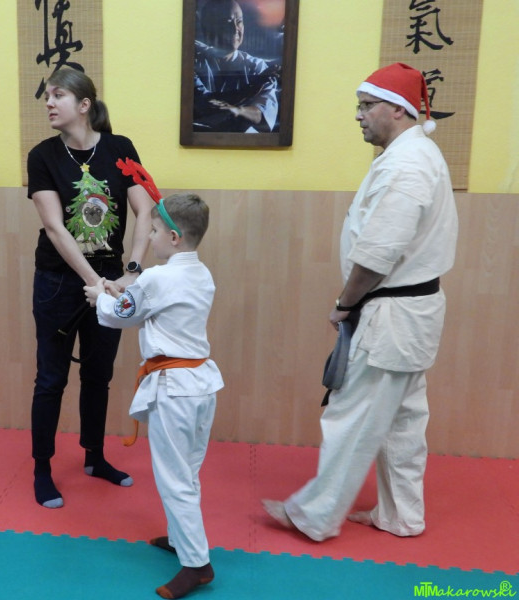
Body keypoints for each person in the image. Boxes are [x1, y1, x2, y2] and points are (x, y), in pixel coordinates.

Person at [262, 62, 459, 541]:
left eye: (367, 106)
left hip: (392, 315)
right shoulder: (412, 155)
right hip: (410, 312)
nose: (359, 115)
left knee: (350, 416)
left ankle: (315, 515)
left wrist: (344, 303)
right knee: (402, 420)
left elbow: (378, 252)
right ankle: (401, 515)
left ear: (398, 109)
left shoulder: (409, 164)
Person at [84, 193, 224, 599]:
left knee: (174, 479)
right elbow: (142, 303)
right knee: (187, 472)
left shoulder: (158, 278)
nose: (149, 236)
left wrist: (99, 295)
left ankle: (197, 565)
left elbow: (120, 315)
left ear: (174, 237)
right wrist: (118, 292)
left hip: (174, 391)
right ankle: (182, 541)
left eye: (155, 230)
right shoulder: (201, 274)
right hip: (201, 387)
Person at [26, 68, 154, 509]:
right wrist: (93, 281)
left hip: (112, 281)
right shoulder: (42, 156)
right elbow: (54, 227)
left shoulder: (120, 148)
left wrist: (132, 272)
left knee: (99, 375)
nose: (49, 102)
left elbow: (144, 210)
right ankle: (42, 469)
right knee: (51, 378)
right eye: (47, 96)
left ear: (84, 105)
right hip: (59, 282)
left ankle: (95, 457)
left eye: (58, 95)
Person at [193, 0, 280, 133]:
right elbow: (205, 103)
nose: (235, 29)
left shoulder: (257, 67)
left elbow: (262, 115)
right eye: (226, 23)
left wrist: (238, 110)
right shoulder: (193, 60)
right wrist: (250, 89)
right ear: (208, 28)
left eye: (239, 21)